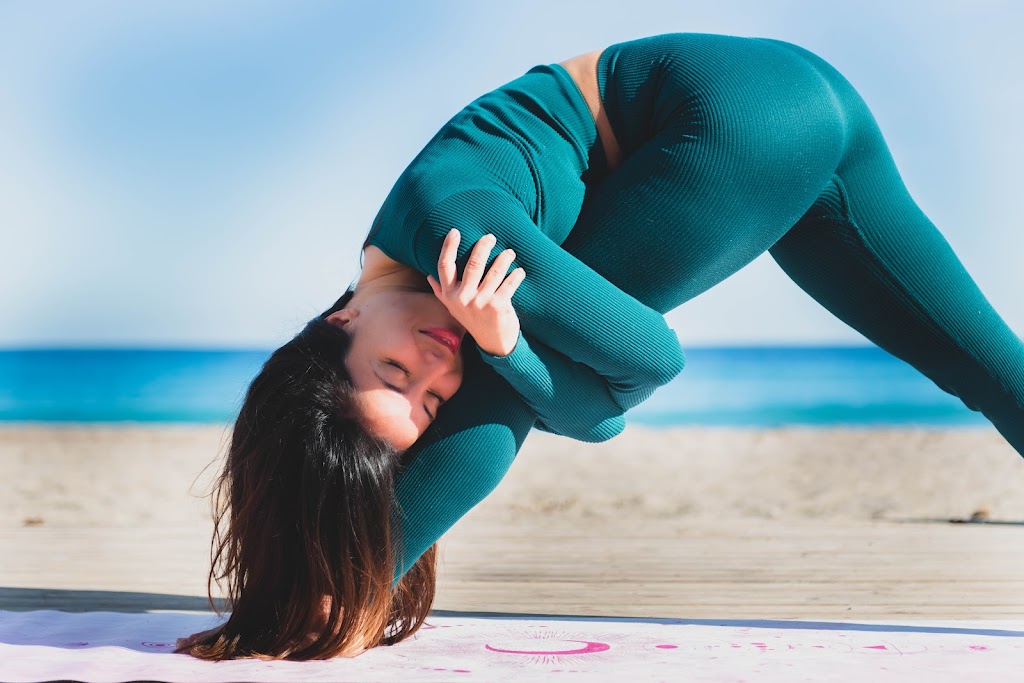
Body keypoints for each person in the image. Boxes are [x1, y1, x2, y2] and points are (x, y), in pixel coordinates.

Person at [176, 32, 1024, 660]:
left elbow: (650, 361)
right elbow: (601, 416)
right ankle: (339, 578)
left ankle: (343, 595)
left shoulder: (455, 237)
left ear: (337, 322)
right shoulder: (400, 272)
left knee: (499, 388)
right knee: (987, 367)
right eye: (427, 401)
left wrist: (505, 350)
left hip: (733, 120)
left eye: (395, 371)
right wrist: (518, 357)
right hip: (807, 95)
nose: (437, 363)